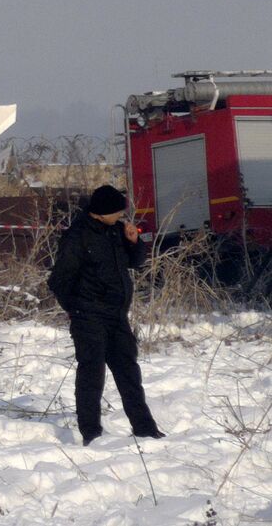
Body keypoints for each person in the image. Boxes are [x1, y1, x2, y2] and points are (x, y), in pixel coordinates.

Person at [48, 184, 164, 446]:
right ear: (101, 212)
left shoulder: (115, 231)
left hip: (117, 316)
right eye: (118, 211)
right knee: (92, 375)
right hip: (88, 317)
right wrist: (76, 310)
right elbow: (58, 280)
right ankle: (91, 432)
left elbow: (135, 263)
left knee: (129, 372)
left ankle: (145, 429)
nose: (122, 215)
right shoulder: (77, 237)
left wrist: (134, 242)